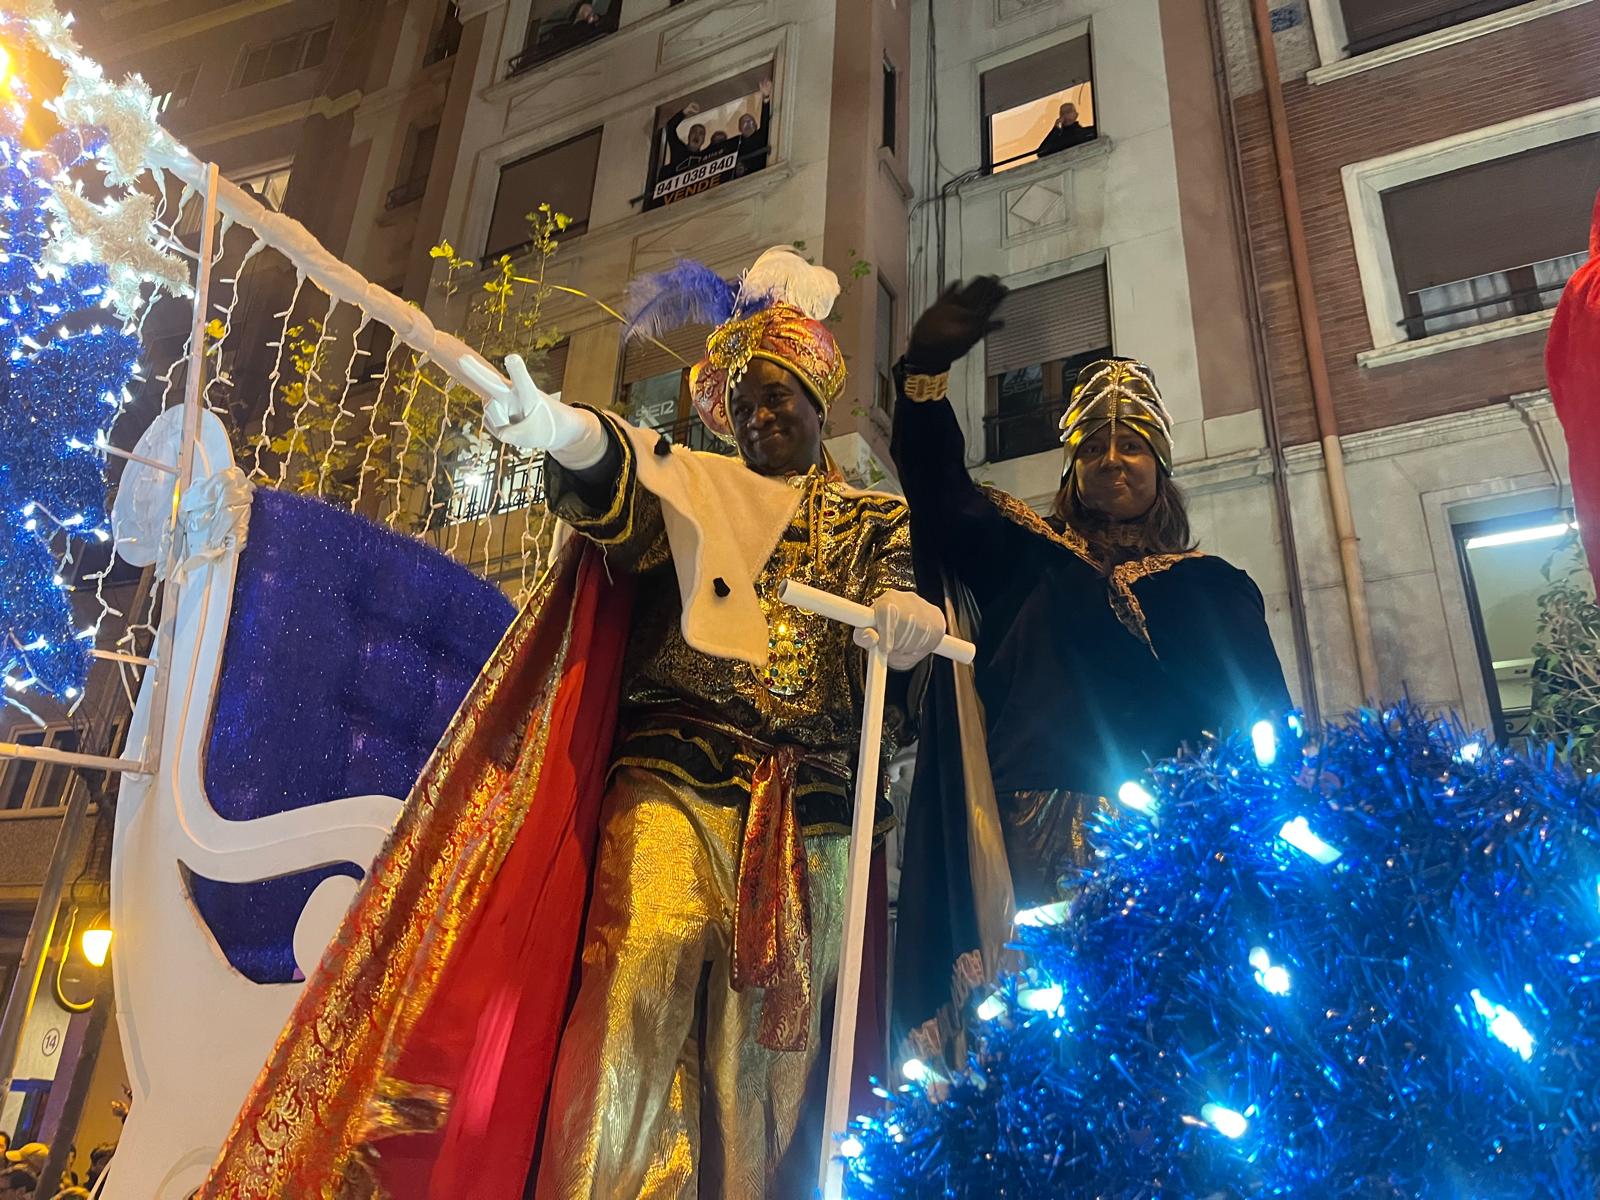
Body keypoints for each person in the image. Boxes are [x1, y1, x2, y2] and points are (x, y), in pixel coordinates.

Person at [198, 247, 948, 1200]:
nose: (762, 415)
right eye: (746, 399)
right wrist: (557, 429)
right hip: (676, 771)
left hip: (815, 816)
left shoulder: (875, 519)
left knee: (764, 1062)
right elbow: (628, 484)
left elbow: (905, 612)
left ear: (818, 400)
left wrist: (911, 625)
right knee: (638, 971)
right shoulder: (698, 484)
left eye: (780, 396)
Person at [888, 278, 1289, 1060]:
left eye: (1132, 443)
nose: (1112, 459)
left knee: (1162, 1042)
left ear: (1160, 468)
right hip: (1028, 833)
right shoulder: (1024, 557)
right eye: (1094, 446)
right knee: (1039, 1045)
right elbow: (938, 491)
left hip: (1172, 846)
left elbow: (1265, 726)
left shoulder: (1215, 588)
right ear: (1071, 469)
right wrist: (925, 373)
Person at [735, 78, 774, 176]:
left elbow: (765, 119)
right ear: (740, 128)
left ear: (756, 126)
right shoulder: (736, 146)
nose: (748, 123)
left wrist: (765, 97)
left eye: (751, 121)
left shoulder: (761, 135)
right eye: (744, 122)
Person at [664, 101, 709, 168]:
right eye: (694, 131)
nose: (697, 135)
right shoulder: (678, 149)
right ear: (689, 135)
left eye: (701, 133)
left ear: (703, 140)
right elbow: (670, 127)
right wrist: (686, 111)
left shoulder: (705, 157)